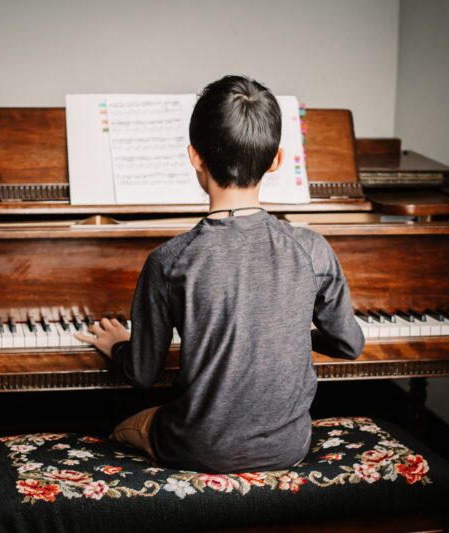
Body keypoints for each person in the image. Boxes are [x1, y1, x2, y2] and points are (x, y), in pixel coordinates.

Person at [74, 75, 364, 473]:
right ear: (276, 160)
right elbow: (349, 345)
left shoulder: (168, 260)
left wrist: (120, 345)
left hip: (197, 448)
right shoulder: (312, 249)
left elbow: (142, 374)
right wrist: (283, 331)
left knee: (121, 429)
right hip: (289, 447)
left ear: (195, 156)